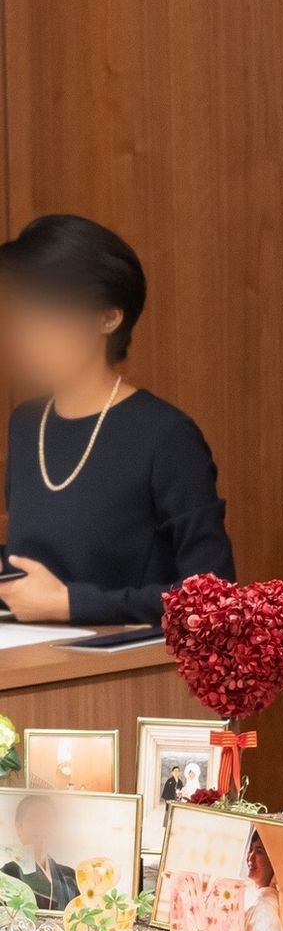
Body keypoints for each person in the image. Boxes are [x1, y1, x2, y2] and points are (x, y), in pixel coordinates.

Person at [0, 214, 235, 625]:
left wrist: (72, 604)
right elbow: (38, 564)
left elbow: (215, 598)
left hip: (129, 662)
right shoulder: (25, 425)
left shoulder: (165, 436)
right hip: (31, 655)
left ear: (109, 318)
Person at [0, 794, 79, 911]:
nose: (40, 827)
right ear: (19, 827)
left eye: (46, 821)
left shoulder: (71, 876)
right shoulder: (7, 874)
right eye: (33, 820)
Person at [243, 828, 282, 931]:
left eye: (259, 851)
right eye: (250, 849)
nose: (250, 857)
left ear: (273, 860)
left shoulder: (264, 905)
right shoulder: (251, 892)